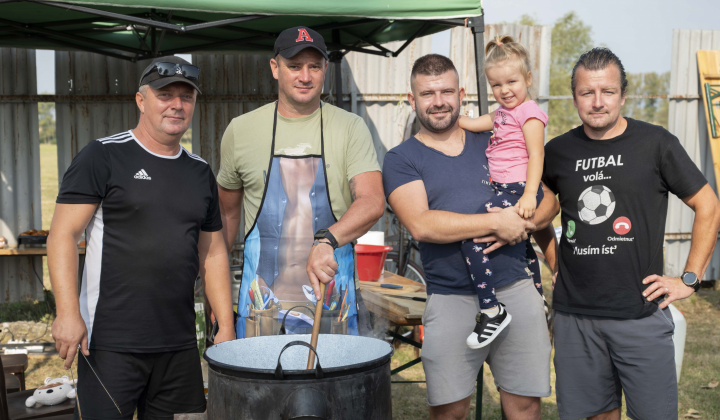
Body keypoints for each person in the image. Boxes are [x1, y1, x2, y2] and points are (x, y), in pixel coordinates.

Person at [48, 55, 236, 419]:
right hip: (108, 344)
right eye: (166, 94)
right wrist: (68, 314)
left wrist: (225, 326)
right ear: (141, 100)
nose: (177, 105)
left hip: (178, 344)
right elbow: (62, 236)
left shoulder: (199, 173)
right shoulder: (104, 155)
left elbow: (212, 253)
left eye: (186, 96)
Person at [543, 47, 720, 420]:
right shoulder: (557, 152)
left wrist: (689, 278)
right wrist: (556, 260)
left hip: (640, 315)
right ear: (574, 95)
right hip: (575, 318)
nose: (597, 102)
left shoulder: (656, 144)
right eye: (586, 92)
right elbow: (537, 214)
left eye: (607, 91)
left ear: (623, 94)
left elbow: (709, 205)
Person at [382, 53, 558, 420]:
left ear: (461, 93)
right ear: (412, 100)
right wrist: (496, 224)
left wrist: (522, 224)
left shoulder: (493, 139)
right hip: (451, 298)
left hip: (516, 288)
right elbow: (422, 224)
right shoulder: (402, 158)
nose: (439, 101)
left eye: (446, 90)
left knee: (525, 405)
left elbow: (549, 201)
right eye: (427, 93)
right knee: (449, 411)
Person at [216, 26, 384, 338]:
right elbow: (225, 215)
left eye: (314, 67)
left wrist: (327, 241)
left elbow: (373, 202)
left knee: (334, 387)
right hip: (261, 309)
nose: (305, 77)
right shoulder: (241, 131)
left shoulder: (350, 128)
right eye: (294, 66)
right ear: (275, 68)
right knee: (260, 386)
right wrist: (216, 291)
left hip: (332, 306)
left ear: (325, 70)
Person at [457, 35, 548, 349]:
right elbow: (474, 123)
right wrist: (451, 117)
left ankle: (491, 310)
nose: (505, 90)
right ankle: (539, 295)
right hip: (505, 188)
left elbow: (537, 155)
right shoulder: (500, 114)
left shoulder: (530, 113)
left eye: (512, 81)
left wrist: (528, 195)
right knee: (524, 248)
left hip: (520, 188)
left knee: (473, 240)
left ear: (528, 79)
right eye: (496, 85)